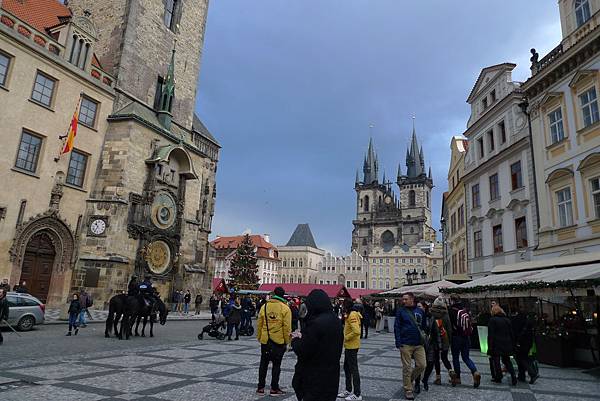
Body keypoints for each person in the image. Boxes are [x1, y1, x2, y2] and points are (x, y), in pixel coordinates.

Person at [291, 289, 343, 401]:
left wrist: (296, 339)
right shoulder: (336, 321)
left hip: (314, 378)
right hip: (331, 377)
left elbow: (303, 349)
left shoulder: (316, 323)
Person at [256, 287, 291, 396]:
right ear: (283, 295)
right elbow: (287, 327)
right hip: (278, 341)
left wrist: (259, 337)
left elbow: (259, 323)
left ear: (274, 294)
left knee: (263, 364)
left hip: (265, 340)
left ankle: (260, 387)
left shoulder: (265, 306)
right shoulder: (285, 308)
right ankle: (274, 388)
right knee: (276, 365)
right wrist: (287, 341)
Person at [395, 292, 427, 400]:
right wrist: (398, 342)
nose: (403, 301)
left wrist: (424, 337)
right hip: (405, 343)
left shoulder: (420, 311)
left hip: (419, 344)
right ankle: (408, 389)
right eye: (403, 299)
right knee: (407, 368)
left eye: (405, 299)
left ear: (412, 299)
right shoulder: (401, 311)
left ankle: (408, 380)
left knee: (422, 365)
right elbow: (397, 327)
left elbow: (423, 326)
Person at [449, 295, 481, 388]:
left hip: (456, 337)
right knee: (466, 357)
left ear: (452, 301)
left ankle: (458, 378)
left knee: (455, 357)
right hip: (466, 337)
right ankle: (475, 372)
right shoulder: (465, 309)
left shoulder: (451, 310)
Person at [338, 299, 363, 401]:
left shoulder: (352, 315)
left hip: (352, 346)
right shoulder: (351, 314)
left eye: (343, 305)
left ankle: (357, 394)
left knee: (353, 369)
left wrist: (346, 337)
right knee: (347, 368)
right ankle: (348, 390)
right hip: (349, 346)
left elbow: (356, 331)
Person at [429, 296, 456, 386]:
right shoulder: (445, 314)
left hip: (435, 341)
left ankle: (438, 378)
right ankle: (451, 371)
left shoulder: (432, 314)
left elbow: (430, 327)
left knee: (436, 359)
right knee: (444, 358)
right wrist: (450, 341)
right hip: (445, 339)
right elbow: (449, 329)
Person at [511, 308, 539, 384]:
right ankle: (521, 376)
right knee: (522, 358)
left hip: (520, 343)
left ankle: (532, 374)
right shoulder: (528, 321)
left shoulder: (517, 321)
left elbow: (515, 332)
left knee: (521, 359)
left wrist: (515, 341)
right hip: (528, 343)